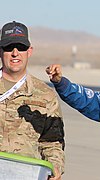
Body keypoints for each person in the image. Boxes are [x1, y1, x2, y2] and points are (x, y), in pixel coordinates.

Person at [0, 21, 65, 180]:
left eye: (21, 47)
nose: (15, 53)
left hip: (26, 175)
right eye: (9, 47)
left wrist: (55, 167)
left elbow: (53, 142)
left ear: (29, 51)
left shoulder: (45, 94)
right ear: (0, 50)